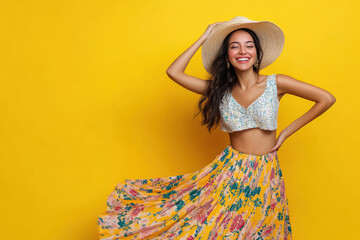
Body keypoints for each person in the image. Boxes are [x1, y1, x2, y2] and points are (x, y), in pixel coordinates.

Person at [98, 16, 336, 239]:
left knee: (262, 231)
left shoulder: (277, 83)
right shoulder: (218, 89)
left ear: (257, 53)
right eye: (234, 46)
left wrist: (285, 132)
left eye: (249, 45)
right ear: (227, 55)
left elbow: (326, 99)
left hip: (266, 173)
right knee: (213, 228)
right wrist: (205, 37)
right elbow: (174, 72)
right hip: (231, 171)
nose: (243, 51)